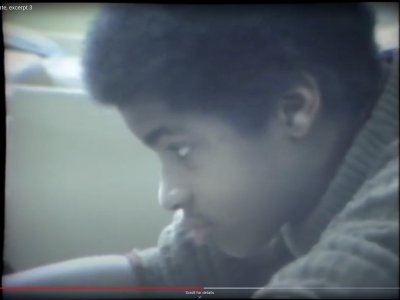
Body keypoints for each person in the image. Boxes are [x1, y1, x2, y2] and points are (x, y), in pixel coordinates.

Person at [3, 4, 398, 299]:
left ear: (293, 109)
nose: (168, 195)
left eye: (182, 149)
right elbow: (164, 276)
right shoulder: (294, 178)